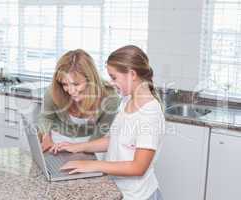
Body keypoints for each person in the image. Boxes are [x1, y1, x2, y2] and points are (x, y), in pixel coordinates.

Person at [51, 45, 165, 200]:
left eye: (114, 77)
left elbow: (138, 167)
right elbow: (115, 140)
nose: (111, 82)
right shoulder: (128, 100)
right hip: (118, 190)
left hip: (139, 196)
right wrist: (77, 147)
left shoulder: (149, 113)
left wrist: (92, 165)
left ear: (132, 74)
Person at [37, 49, 120, 155]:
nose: (70, 91)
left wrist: (82, 154)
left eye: (76, 84)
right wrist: (46, 137)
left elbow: (100, 132)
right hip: (57, 141)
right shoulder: (55, 90)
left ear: (90, 80)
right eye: (65, 84)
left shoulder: (110, 98)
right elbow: (45, 117)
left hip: (90, 142)